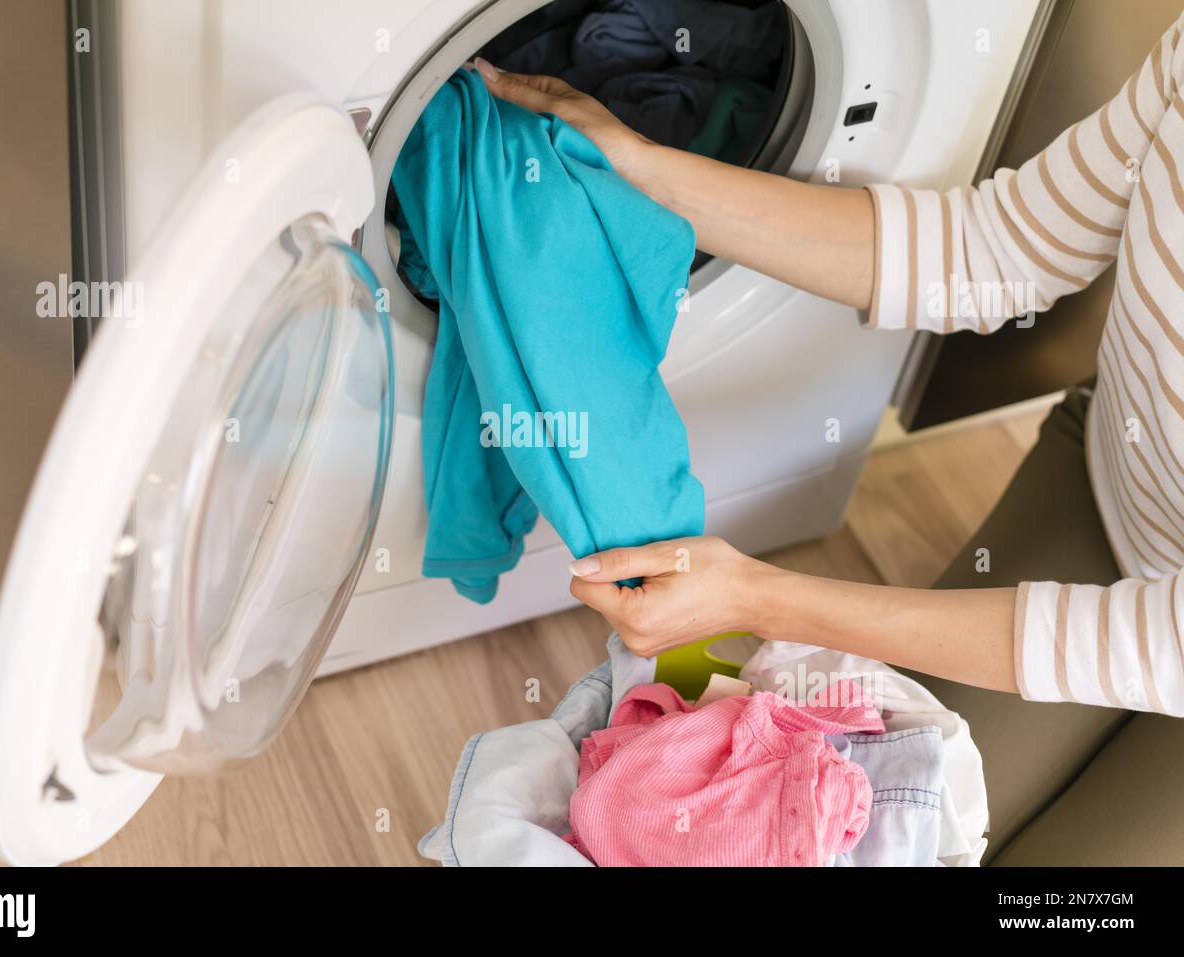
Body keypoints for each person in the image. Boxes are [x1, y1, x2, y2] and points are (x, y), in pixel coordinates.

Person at [475, 14, 1184, 866]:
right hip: (1116, 494)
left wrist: (755, 597)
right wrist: (644, 169)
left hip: (1162, 631)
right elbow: (997, 247)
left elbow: (1157, 645)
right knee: (886, 819)